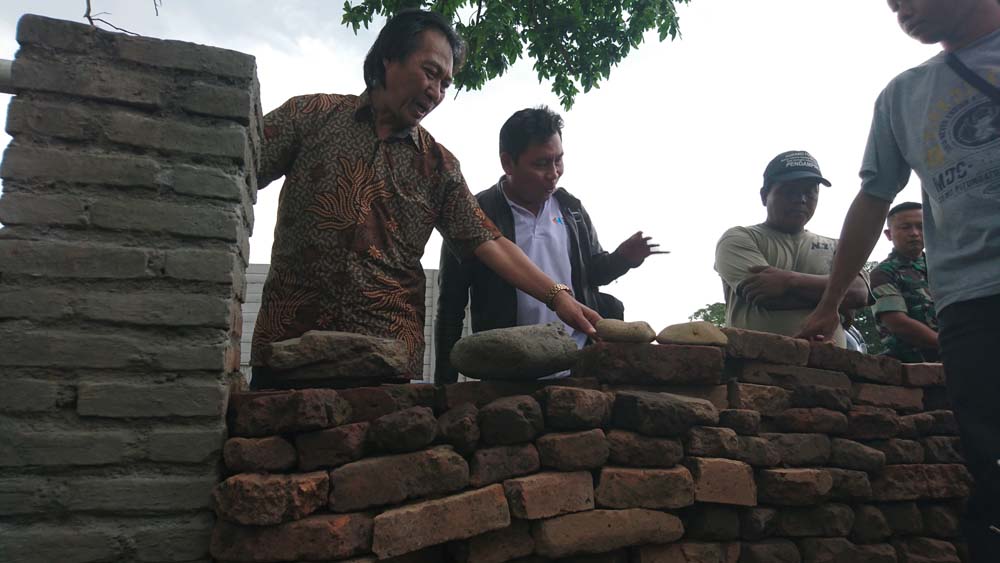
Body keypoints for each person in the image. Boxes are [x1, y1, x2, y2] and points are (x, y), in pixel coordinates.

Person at [249, 10, 600, 387]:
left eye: (446, 84)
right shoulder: (310, 116)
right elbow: (235, 173)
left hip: (383, 361)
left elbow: (491, 241)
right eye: (430, 73)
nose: (436, 93)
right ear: (390, 57)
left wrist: (557, 297)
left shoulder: (440, 167)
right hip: (288, 348)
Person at [797, 1, 1000, 559]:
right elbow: (871, 199)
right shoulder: (903, 97)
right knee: (991, 463)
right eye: (892, 4)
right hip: (968, 307)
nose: (902, 10)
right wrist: (831, 303)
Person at [434, 107, 661, 383]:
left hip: (577, 365)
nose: (554, 173)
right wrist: (443, 387)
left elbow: (593, 274)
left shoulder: (571, 210)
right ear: (508, 163)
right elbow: (450, 305)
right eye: (541, 164)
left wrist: (623, 258)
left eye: (559, 160)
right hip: (509, 371)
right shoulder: (476, 214)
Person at [714, 150, 869, 347]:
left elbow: (859, 293)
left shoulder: (839, 246)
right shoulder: (739, 238)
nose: (801, 199)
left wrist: (789, 281)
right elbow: (764, 296)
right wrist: (836, 301)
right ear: (764, 195)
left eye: (810, 191)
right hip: (755, 364)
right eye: (790, 191)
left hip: (830, 366)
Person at [870, 201, 939, 362]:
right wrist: (950, 345)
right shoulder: (883, 273)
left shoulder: (943, 266)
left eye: (920, 226)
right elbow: (897, 323)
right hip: (910, 366)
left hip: (956, 357)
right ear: (889, 234)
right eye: (906, 227)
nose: (914, 233)